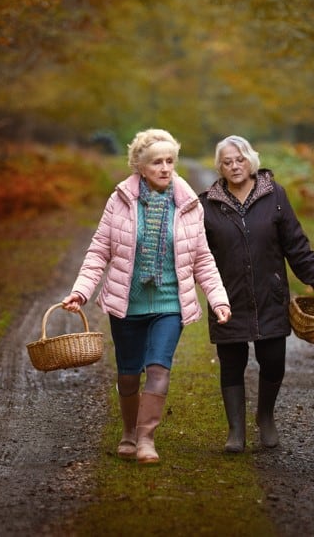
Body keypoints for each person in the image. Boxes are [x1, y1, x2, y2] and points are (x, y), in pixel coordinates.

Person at [61, 128, 232, 465]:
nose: (165, 168)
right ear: (139, 166)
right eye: (157, 162)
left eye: (170, 161)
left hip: (170, 304)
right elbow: (99, 251)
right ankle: (128, 432)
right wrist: (81, 291)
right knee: (128, 374)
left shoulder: (188, 204)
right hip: (127, 304)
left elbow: (202, 258)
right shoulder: (120, 200)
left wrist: (219, 300)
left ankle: (145, 439)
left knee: (158, 368)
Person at [199, 135, 314, 452]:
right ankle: (236, 432)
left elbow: (296, 244)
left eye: (240, 159)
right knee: (231, 362)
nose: (234, 166)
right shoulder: (206, 204)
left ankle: (265, 415)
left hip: (269, 293)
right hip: (227, 297)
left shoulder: (275, 195)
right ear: (219, 167)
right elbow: (196, 254)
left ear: (251, 160)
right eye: (227, 162)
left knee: (273, 360)